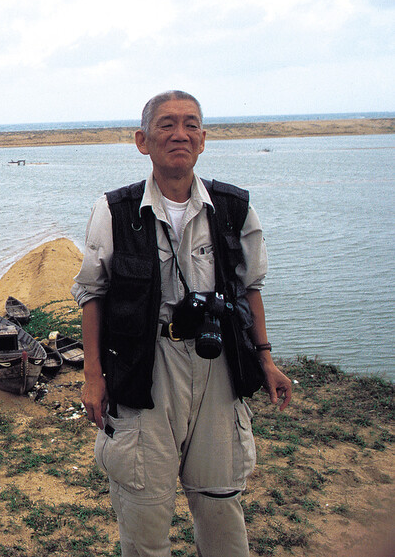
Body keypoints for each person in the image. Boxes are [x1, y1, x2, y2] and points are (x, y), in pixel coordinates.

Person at [71, 90, 293, 557]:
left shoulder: (233, 208)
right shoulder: (114, 211)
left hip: (217, 366)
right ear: (142, 141)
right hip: (146, 368)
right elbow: (93, 295)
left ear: (204, 139)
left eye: (191, 124)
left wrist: (266, 359)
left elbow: (250, 288)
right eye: (167, 124)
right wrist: (93, 377)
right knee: (144, 509)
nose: (180, 134)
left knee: (221, 505)